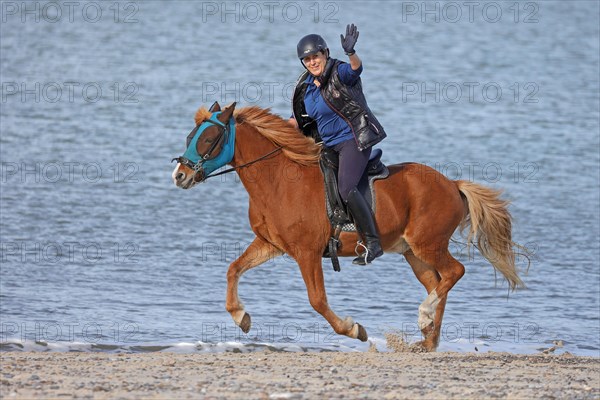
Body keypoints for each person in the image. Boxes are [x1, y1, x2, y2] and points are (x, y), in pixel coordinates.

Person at [289, 24, 387, 265]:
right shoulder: (306, 88)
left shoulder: (339, 72)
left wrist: (351, 53)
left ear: (325, 53)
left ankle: (373, 243)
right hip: (328, 145)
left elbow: (356, 70)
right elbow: (296, 120)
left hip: (354, 139)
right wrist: (266, 130)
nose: (312, 62)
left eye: (316, 56)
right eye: (307, 59)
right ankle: (327, 232)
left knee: (345, 187)